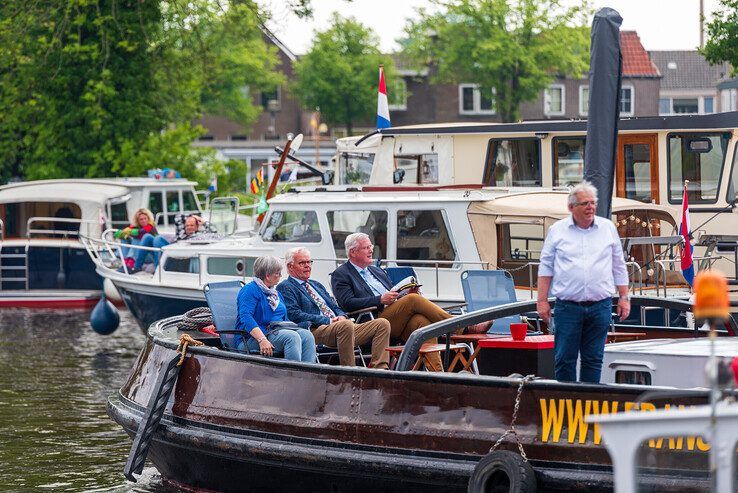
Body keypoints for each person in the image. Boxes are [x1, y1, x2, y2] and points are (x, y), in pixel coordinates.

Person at [331, 233, 490, 372]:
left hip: (394, 316)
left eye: (371, 246)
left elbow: (393, 292)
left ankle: (437, 374)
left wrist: (404, 294)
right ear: (353, 252)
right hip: (373, 321)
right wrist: (380, 299)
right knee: (413, 300)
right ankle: (461, 327)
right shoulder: (342, 274)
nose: (371, 250)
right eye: (366, 247)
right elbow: (347, 303)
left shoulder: (377, 270)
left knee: (422, 322)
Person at [536, 181, 630, 383]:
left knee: (593, 360)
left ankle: (589, 405)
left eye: (593, 202)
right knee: (564, 360)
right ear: (571, 207)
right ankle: (566, 406)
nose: (591, 207)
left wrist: (624, 297)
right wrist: (541, 301)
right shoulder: (557, 230)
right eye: (585, 203)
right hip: (568, 307)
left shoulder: (608, 228)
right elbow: (546, 267)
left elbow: (619, 265)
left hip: (600, 306)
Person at [277, 247, 391, 369]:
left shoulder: (316, 285)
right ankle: (350, 374)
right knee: (345, 326)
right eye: (302, 263)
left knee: (382, 324)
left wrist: (341, 315)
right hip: (315, 329)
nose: (307, 266)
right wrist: (329, 321)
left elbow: (334, 306)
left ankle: (379, 370)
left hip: (340, 326)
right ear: (290, 267)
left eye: (309, 262)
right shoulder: (286, 287)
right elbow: (295, 314)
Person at [235, 255, 316, 362]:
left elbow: (284, 319)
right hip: (252, 338)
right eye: (277, 273)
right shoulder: (250, 290)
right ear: (268, 276)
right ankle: (292, 376)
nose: (280, 276)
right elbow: (246, 317)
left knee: (307, 336)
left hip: (277, 331)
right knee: (291, 337)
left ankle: (308, 374)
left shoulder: (275, 293)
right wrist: (262, 339)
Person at [114, 208, 159, 272]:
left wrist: (129, 232)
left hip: (150, 256)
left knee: (136, 239)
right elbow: (116, 234)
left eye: (145, 218)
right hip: (140, 255)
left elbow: (141, 232)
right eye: (141, 219)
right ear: (138, 221)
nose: (143, 221)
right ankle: (126, 262)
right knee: (124, 238)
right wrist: (123, 234)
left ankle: (130, 264)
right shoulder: (136, 227)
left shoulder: (150, 227)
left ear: (148, 218)